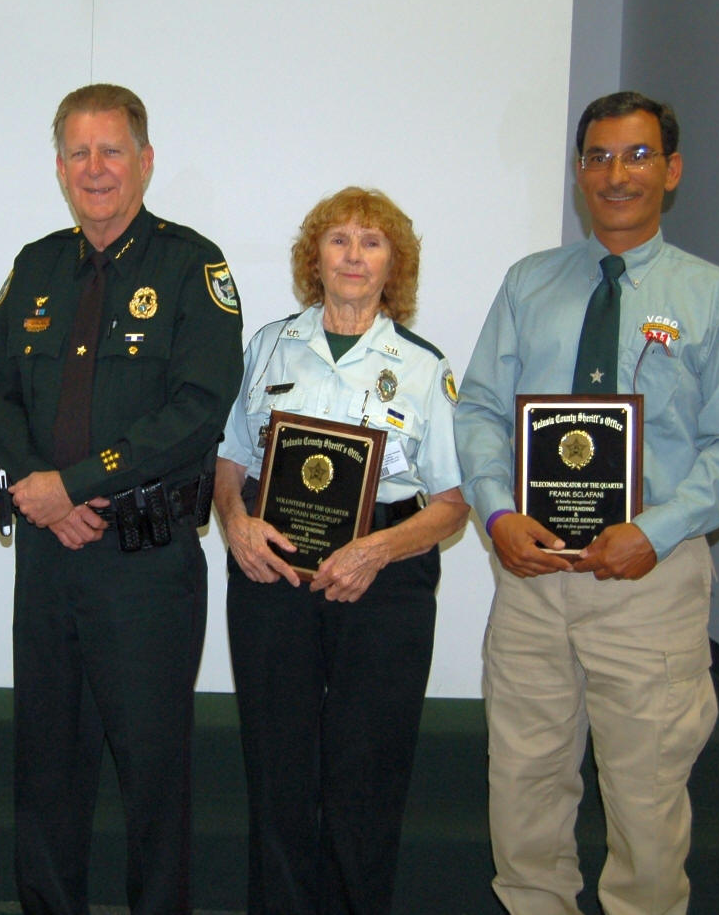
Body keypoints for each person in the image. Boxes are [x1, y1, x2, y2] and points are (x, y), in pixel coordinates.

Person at [454, 91, 719, 915]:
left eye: (635, 156)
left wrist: (655, 530)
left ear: (670, 171)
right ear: (577, 173)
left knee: (645, 803)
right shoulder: (529, 284)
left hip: (649, 584)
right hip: (532, 580)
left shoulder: (714, 298)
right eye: (596, 156)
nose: (614, 174)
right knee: (523, 790)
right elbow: (481, 410)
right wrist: (495, 513)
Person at [0, 83, 243, 914]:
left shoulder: (195, 267)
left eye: (111, 150)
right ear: (58, 167)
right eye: (78, 153)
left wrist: (74, 485)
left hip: (145, 561)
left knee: (154, 775)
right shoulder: (35, 266)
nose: (95, 168)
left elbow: (197, 411)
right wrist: (34, 487)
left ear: (145, 160)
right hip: (50, 560)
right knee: (46, 767)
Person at [214, 187, 469, 914]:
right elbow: (229, 459)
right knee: (278, 766)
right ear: (313, 258)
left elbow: (453, 502)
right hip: (274, 569)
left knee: (367, 771)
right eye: (338, 240)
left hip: (383, 578)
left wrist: (377, 549)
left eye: (372, 242)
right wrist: (234, 522)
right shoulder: (268, 345)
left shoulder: (422, 365)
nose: (353, 255)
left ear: (395, 264)